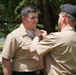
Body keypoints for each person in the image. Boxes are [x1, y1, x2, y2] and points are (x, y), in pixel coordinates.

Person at [30, 4, 76, 75]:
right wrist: (47, 38)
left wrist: (37, 35)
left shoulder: (56, 37)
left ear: (64, 18)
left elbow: (33, 49)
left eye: (59, 17)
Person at [1, 5, 45, 75]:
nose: (36, 20)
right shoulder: (14, 36)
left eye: (37, 17)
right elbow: (6, 59)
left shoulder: (40, 34)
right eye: (32, 18)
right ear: (24, 19)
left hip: (40, 71)